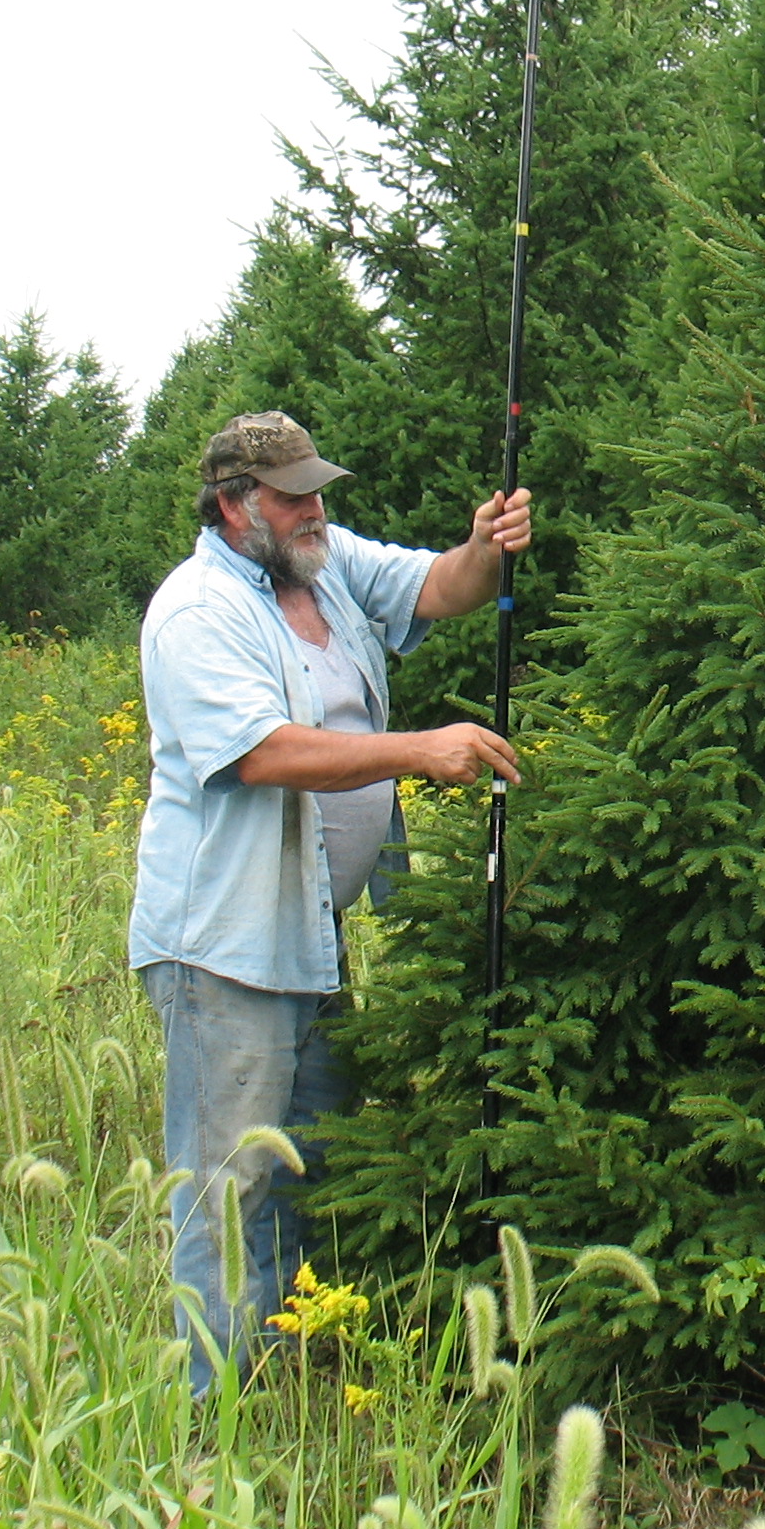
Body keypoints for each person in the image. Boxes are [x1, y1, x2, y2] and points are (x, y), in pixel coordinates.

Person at [131, 410, 532, 1394]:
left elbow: (444, 587)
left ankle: (285, 1372)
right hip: (223, 949)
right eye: (291, 494)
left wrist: (484, 544)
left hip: (308, 938)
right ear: (233, 505)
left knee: (309, 1162)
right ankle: (207, 1414)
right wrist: (417, 748)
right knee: (229, 1191)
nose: (316, 507)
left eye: (318, 487)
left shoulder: (324, 560)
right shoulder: (196, 613)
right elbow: (261, 749)